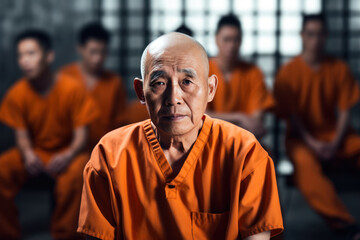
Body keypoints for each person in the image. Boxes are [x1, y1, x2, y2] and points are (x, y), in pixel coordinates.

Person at [77, 32, 283, 240]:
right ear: (140, 91)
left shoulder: (245, 152)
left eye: (187, 81)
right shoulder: (110, 155)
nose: (173, 98)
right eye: (159, 83)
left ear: (210, 89)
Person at [0, 30, 98, 240]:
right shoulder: (17, 93)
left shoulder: (71, 89)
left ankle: (65, 235)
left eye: (31, 53)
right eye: (20, 55)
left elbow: (82, 134)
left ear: (48, 56)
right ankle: (7, 233)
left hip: (69, 152)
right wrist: (27, 154)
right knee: (2, 169)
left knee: (77, 173)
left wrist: (68, 155)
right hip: (35, 152)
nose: (25, 60)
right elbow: (22, 134)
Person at [274, 14, 360, 239]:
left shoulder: (338, 69)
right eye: (310, 34)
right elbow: (292, 117)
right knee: (304, 167)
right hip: (301, 140)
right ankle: (345, 225)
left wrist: (334, 143)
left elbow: (344, 111)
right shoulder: (289, 72)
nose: (316, 39)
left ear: (326, 36)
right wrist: (313, 144)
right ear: (303, 36)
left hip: (337, 137)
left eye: (320, 34)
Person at [59, 22, 127, 149]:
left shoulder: (114, 82)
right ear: (80, 49)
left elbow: (120, 124)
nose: (98, 58)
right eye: (93, 52)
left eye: (103, 52)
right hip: (68, 149)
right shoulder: (64, 77)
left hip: (105, 148)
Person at [207, 14, 274, 139]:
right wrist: (240, 117)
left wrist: (216, 120)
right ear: (216, 39)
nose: (231, 45)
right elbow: (200, 117)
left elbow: (256, 121)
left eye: (236, 40)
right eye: (226, 39)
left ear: (241, 41)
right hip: (210, 140)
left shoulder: (253, 73)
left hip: (243, 141)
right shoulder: (204, 70)